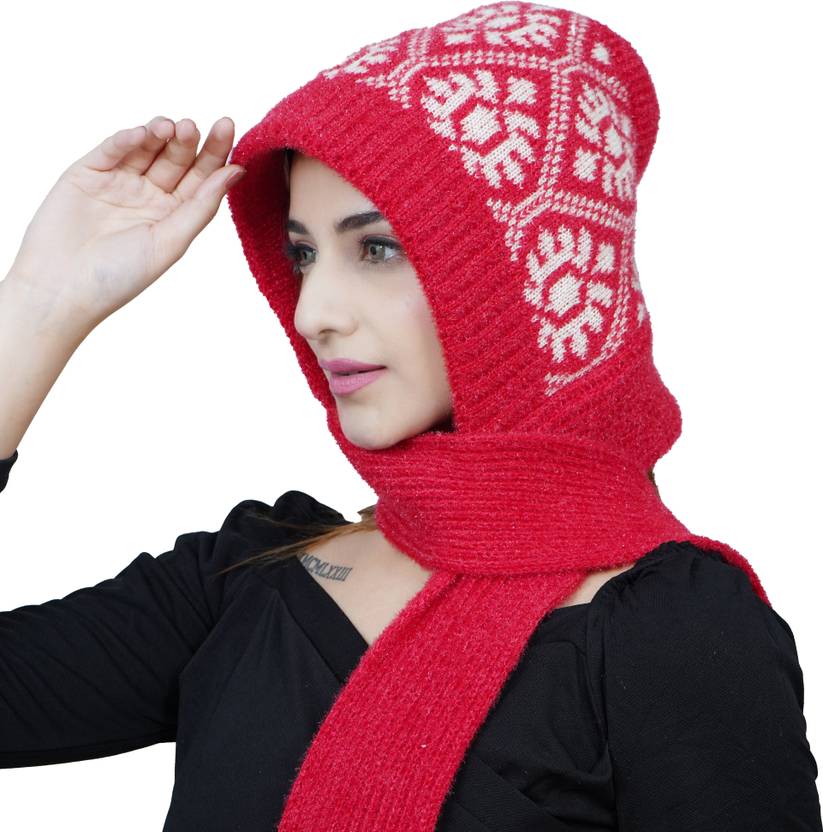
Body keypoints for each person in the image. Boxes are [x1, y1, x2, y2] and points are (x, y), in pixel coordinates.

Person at [1, 4, 821, 832]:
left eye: (377, 248)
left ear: (523, 280)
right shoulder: (250, 579)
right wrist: (37, 306)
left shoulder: (676, 631)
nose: (313, 312)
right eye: (302, 254)